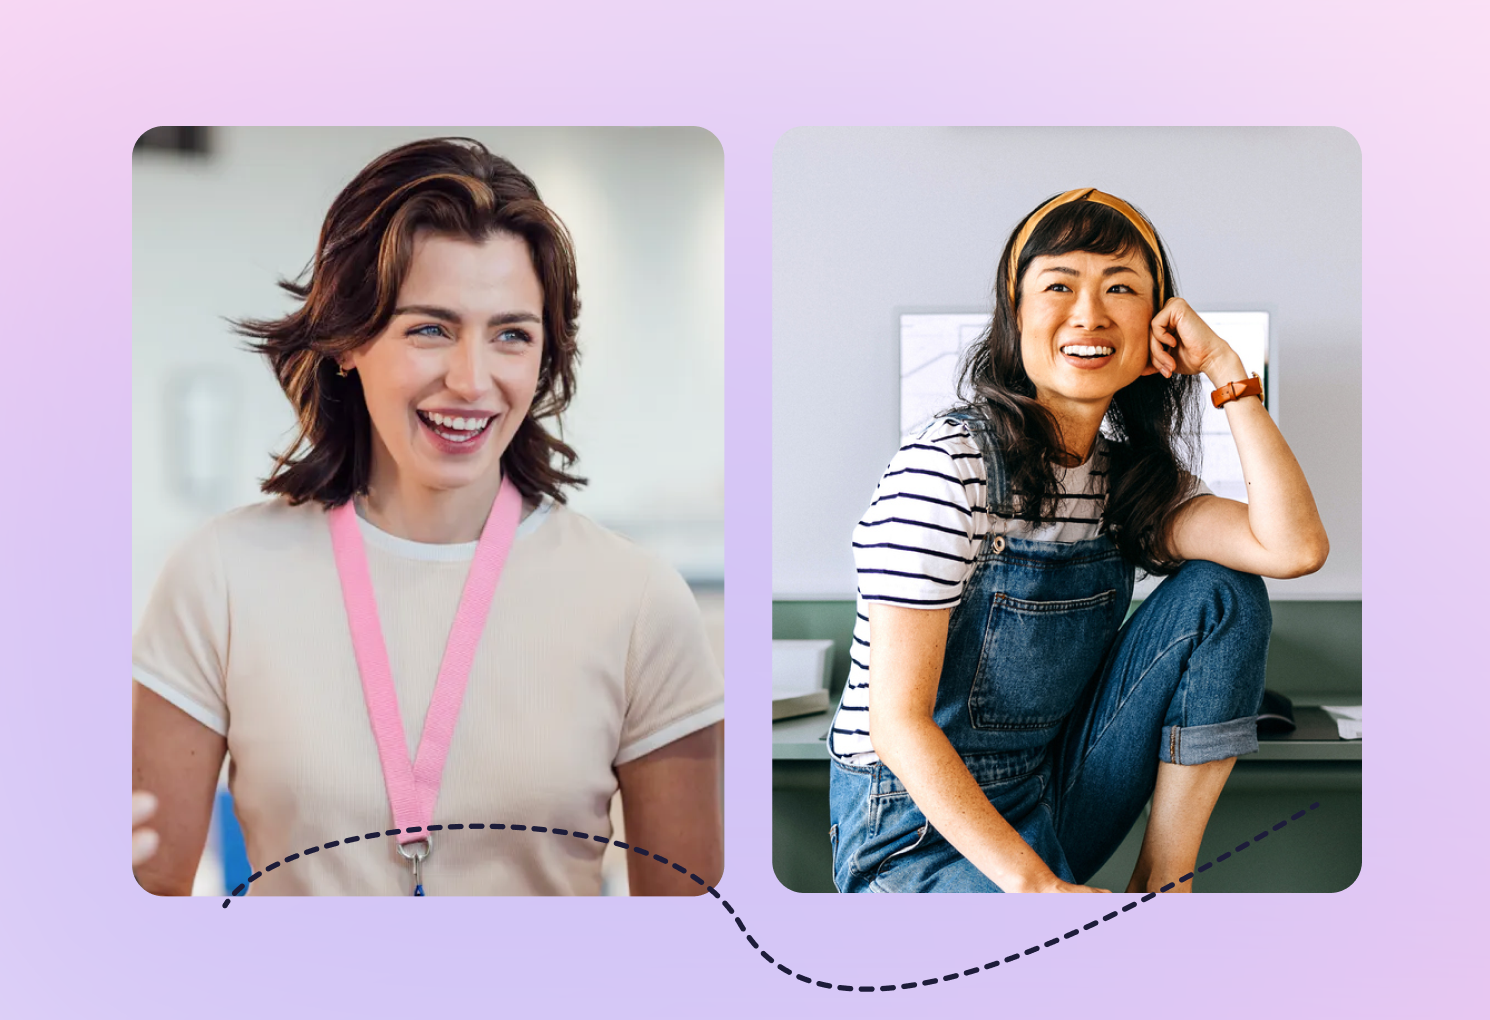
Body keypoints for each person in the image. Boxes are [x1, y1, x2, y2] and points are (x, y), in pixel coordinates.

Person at [132, 138, 724, 897]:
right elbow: (142, 915)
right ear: (348, 340)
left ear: (546, 358)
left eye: (512, 333)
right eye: (429, 329)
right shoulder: (219, 578)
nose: (471, 380)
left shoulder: (638, 602)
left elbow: (689, 952)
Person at [828, 188, 1327, 894]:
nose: (1090, 313)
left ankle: (1164, 886)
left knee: (1224, 590)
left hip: (1047, 797)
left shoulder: (1128, 482)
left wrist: (1224, 367)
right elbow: (898, 724)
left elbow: (1292, 549)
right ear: (1017, 316)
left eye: (1120, 288)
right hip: (914, 826)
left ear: (1158, 329)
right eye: (1059, 284)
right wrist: (1038, 890)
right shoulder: (945, 467)